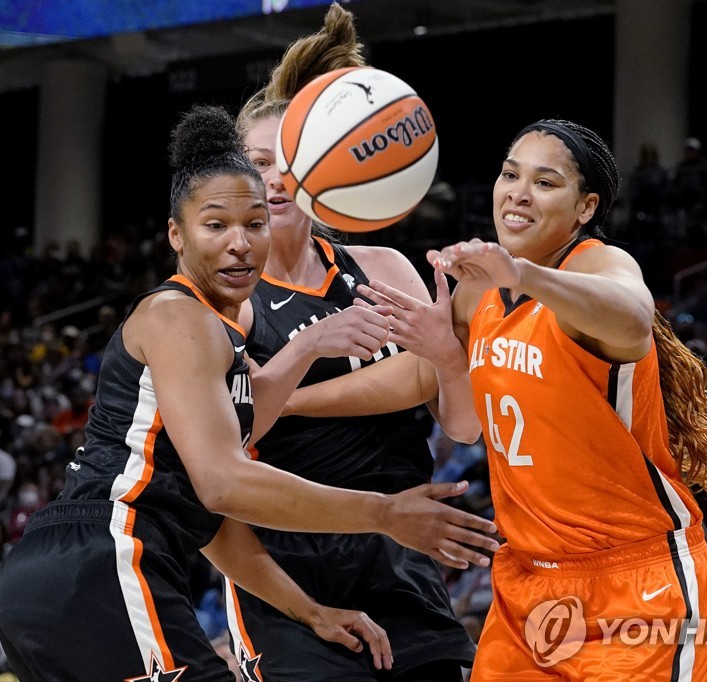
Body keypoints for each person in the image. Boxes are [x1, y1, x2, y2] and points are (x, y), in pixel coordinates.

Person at [0, 103, 497, 682]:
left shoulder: (224, 330)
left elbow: (212, 514)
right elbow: (225, 484)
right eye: (217, 225)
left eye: (253, 224)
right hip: (110, 551)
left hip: (94, 561)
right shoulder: (187, 319)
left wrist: (312, 611)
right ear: (176, 236)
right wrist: (382, 512)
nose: (240, 243)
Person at [287, 118, 707, 679]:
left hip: (635, 582)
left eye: (545, 182)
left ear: (585, 209)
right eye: (510, 174)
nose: (518, 192)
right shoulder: (481, 287)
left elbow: (633, 316)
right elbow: (420, 377)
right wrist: (288, 399)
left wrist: (527, 275)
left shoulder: (600, 266)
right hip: (527, 581)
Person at [226, 4, 484, 679]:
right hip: (289, 571)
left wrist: (449, 359)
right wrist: (310, 349)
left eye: (287, 160)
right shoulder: (219, 300)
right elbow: (229, 433)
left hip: (402, 556)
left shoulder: (386, 268)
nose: (275, 179)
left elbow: (453, 416)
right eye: (256, 162)